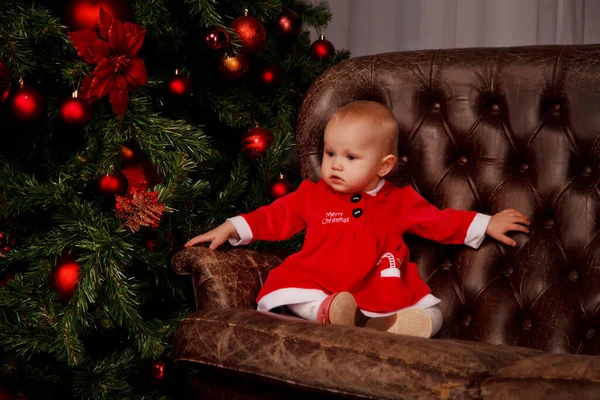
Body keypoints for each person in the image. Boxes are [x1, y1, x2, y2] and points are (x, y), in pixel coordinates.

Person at [184, 101, 530, 338]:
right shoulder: (313, 193)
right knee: (291, 293)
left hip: (375, 281)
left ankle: (390, 325)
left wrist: (485, 223)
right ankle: (327, 311)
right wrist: (233, 227)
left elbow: (439, 220)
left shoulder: (398, 200)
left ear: (384, 165)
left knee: (433, 314)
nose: (334, 164)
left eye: (350, 157)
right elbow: (276, 215)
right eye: (330, 153)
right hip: (320, 277)